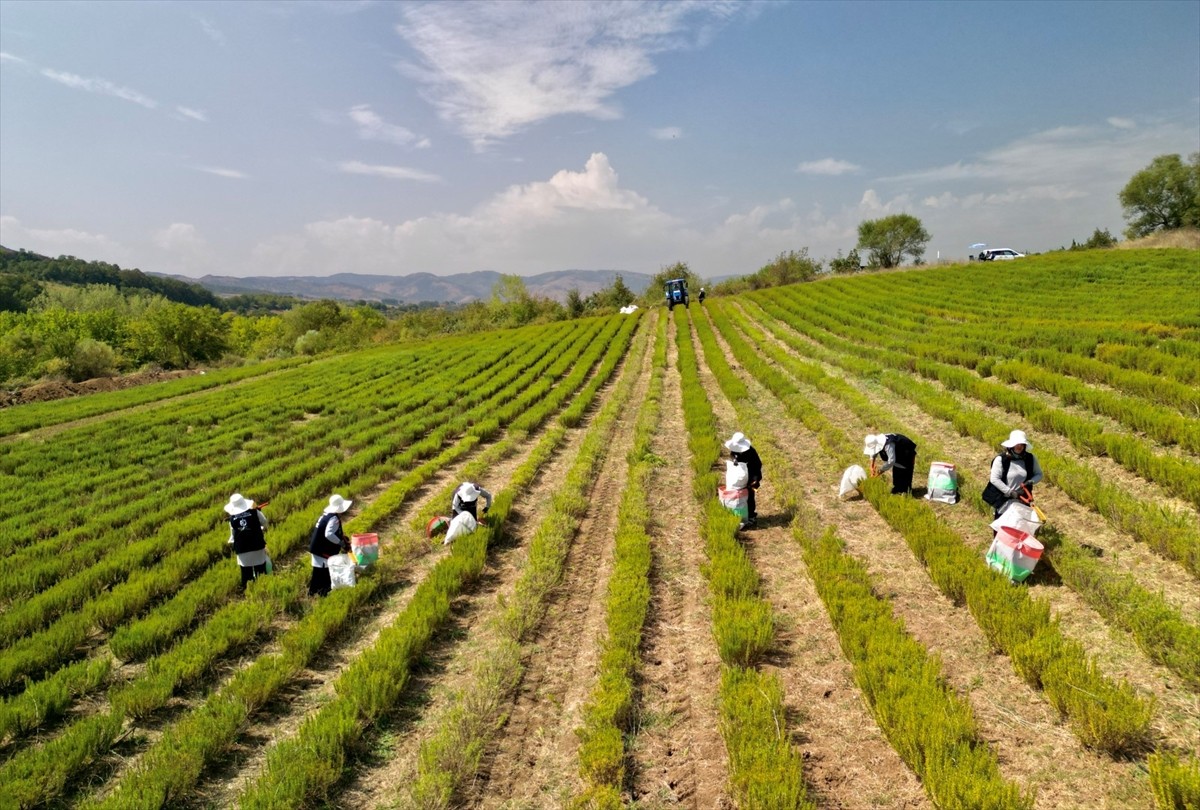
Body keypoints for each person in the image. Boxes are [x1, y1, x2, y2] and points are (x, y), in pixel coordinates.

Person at [983, 430, 1043, 520]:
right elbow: (994, 479)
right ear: (1011, 445)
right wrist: (1010, 492)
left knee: (1021, 528)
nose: (1019, 446)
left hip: (1022, 500)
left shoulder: (1030, 458)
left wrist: (1030, 481)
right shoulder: (1000, 460)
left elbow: (1039, 474)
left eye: (1022, 444)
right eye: (1017, 444)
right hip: (1004, 502)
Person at [309, 493, 352, 597]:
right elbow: (328, 534)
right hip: (322, 549)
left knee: (317, 572)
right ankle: (322, 593)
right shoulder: (334, 518)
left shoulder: (326, 515)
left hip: (317, 547)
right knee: (323, 573)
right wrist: (340, 542)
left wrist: (342, 537)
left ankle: (312, 593)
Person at [224, 493, 270, 591]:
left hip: (242, 549)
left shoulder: (232, 519)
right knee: (260, 570)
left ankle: (247, 591)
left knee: (246, 573)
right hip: (257, 545)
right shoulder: (255, 512)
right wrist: (261, 528)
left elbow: (233, 535)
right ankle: (263, 590)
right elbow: (265, 522)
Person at [725, 432, 762, 528]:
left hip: (751, 476)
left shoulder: (751, 452)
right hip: (739, 477)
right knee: (737, 495)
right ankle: (739, 515)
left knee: (749, 495)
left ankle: (751, 517)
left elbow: (757, 466)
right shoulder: (734, 451)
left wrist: (754, 480)